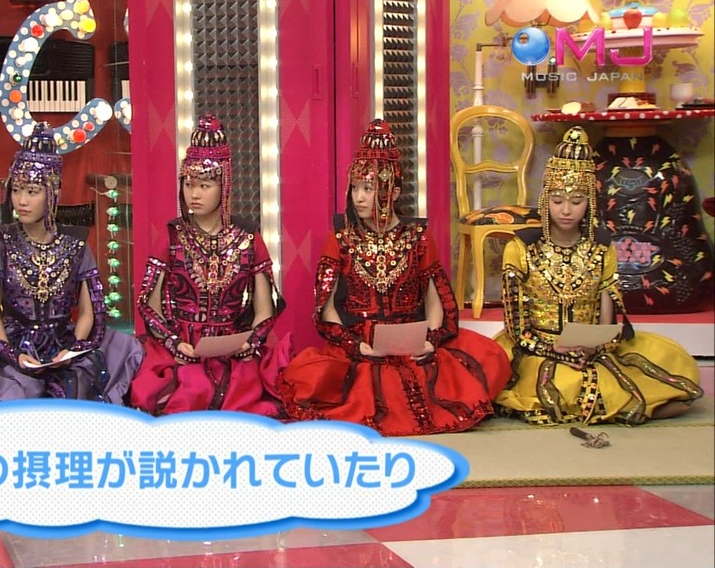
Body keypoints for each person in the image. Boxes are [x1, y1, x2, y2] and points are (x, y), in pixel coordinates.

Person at [279, 120, 510, 436]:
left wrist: (430, 339)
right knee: (310, 378)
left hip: (410, 338)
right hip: (362, 342)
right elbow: (327, 306)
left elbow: (434, 298)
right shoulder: (341, 238)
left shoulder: (418, 237)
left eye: (368, 188)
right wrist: (355, 345)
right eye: (355, 188)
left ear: (394, 192)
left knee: (488, 357)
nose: (359, 198)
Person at [495, 126, 704, 425]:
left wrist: (597, 345)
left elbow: (608, 309)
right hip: (537, 347)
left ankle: (629, 402)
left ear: (590, 202)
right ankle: (630, 407)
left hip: (589, 347)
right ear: (545, 200)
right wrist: (553, 349)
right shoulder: (520, 248)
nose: (566, 210)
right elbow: (516, 326)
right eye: (557, 200)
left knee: (673, 358)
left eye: (576, 201)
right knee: (563, 384)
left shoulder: (602, 248)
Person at [0, 123, 141, 404]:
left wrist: (74, 348)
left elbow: (88, 312)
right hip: (14, 346)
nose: (21, 201)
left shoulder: (76, 245)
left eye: (32, 192)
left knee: (80, 386)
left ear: (52, 193)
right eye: (16, 191)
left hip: (63, 344)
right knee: (17, 392)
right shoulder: (2, 243)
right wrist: (12, 354)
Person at [130, 114, 290, 416]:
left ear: (224, 185)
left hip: (233, 347)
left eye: (204, 185)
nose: (195, 194)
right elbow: (148, 306)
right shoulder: (171, 236)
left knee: (250, 401)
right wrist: (174, 343)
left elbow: (264, 309)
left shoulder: (248, 238)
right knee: (187, 392)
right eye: (189, 184)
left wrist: (252, 341)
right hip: (183, 347)